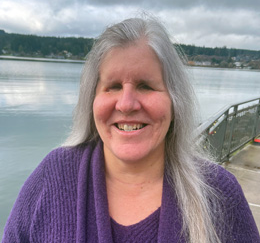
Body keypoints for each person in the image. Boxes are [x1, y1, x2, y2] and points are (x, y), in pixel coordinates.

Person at [2, 17, 260, 243]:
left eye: (146, 85)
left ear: (174, 100)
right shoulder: (52, 176)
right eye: (112, 86)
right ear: (91, 100)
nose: (126, 104)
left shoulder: (218, 193)